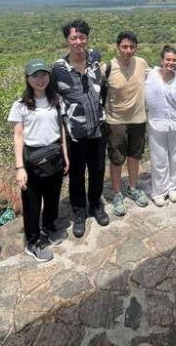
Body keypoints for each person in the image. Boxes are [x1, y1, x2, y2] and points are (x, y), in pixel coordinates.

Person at [52, 19, 109, 238]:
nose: (78, 42)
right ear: (67, 40)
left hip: (98, 128)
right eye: (74, 38)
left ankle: (95, 204)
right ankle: (79, 211)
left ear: (87, 39)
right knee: (76, 173)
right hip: (75, 132)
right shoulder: (58, 69)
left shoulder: (95, 59)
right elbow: (54, 100)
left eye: (82, 37)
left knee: (97, 170)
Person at [9, 59, 69, 262]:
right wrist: (19, 167)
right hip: (32, 157)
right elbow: (18, 136)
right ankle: (33, 241)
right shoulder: (20, 105)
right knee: (32, 203)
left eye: (43, 74)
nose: (40, 79)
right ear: (27, 79)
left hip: (54, 153)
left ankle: (50, 227)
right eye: (35, 75)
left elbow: (61, 129)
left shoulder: (56, 100)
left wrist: (66, 155)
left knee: (53, 196)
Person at [105, 31, 150, 216]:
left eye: (132, 46)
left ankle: (132, 187)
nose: (128, 50)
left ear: (136, 47)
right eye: (124, 46)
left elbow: (158, 78)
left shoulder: (142, 63)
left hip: (138, 119)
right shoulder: (107, 67)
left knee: (134, 156)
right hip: (116, 121)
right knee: (117, 159)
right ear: (118, 47)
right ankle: (116, 193)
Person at [145, 46, 176, 207]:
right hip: (155, 124)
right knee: (159, 159)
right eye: (168, 59)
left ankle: (173, 188)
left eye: (173, 60)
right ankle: (159, 191)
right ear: (162, 60)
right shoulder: (151, 75)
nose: (171, 63)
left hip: (175, 125)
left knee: (175, 158)